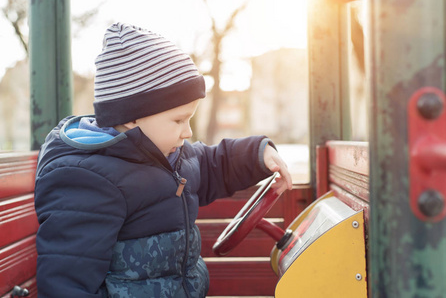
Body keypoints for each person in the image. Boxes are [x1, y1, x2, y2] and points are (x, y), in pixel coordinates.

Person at [34, 22, 292, 298]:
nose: (188, 131)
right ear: (131, 117)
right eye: (179, 120)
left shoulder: (170, 154)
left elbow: (212, 164)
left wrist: (257, 154)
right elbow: (69, 280)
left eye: (189, 118)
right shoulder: (89, 179)